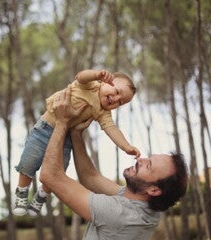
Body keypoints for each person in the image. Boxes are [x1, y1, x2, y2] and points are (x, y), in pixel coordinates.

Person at [39, 85, 188, 239]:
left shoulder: (121, 214)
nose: (140, 160)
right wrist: (76, 134)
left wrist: (62, 123)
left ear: (154, 190)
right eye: (148, 158)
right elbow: (91, 179)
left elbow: (49, 176)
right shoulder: (145, 207)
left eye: (148, 166)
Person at [13, 69, 141, 217]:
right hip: (44, 130)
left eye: (120, 102)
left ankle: (41, 196)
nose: (116, 99)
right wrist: (96, 74)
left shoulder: (103, 112)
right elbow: (80, 77)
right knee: (28, 162)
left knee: (57, 171)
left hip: (65, 139)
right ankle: (22, 192)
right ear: (105, 81)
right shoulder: (92, 86)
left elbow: (111, 129)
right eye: (117, 92)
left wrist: (126, 146)